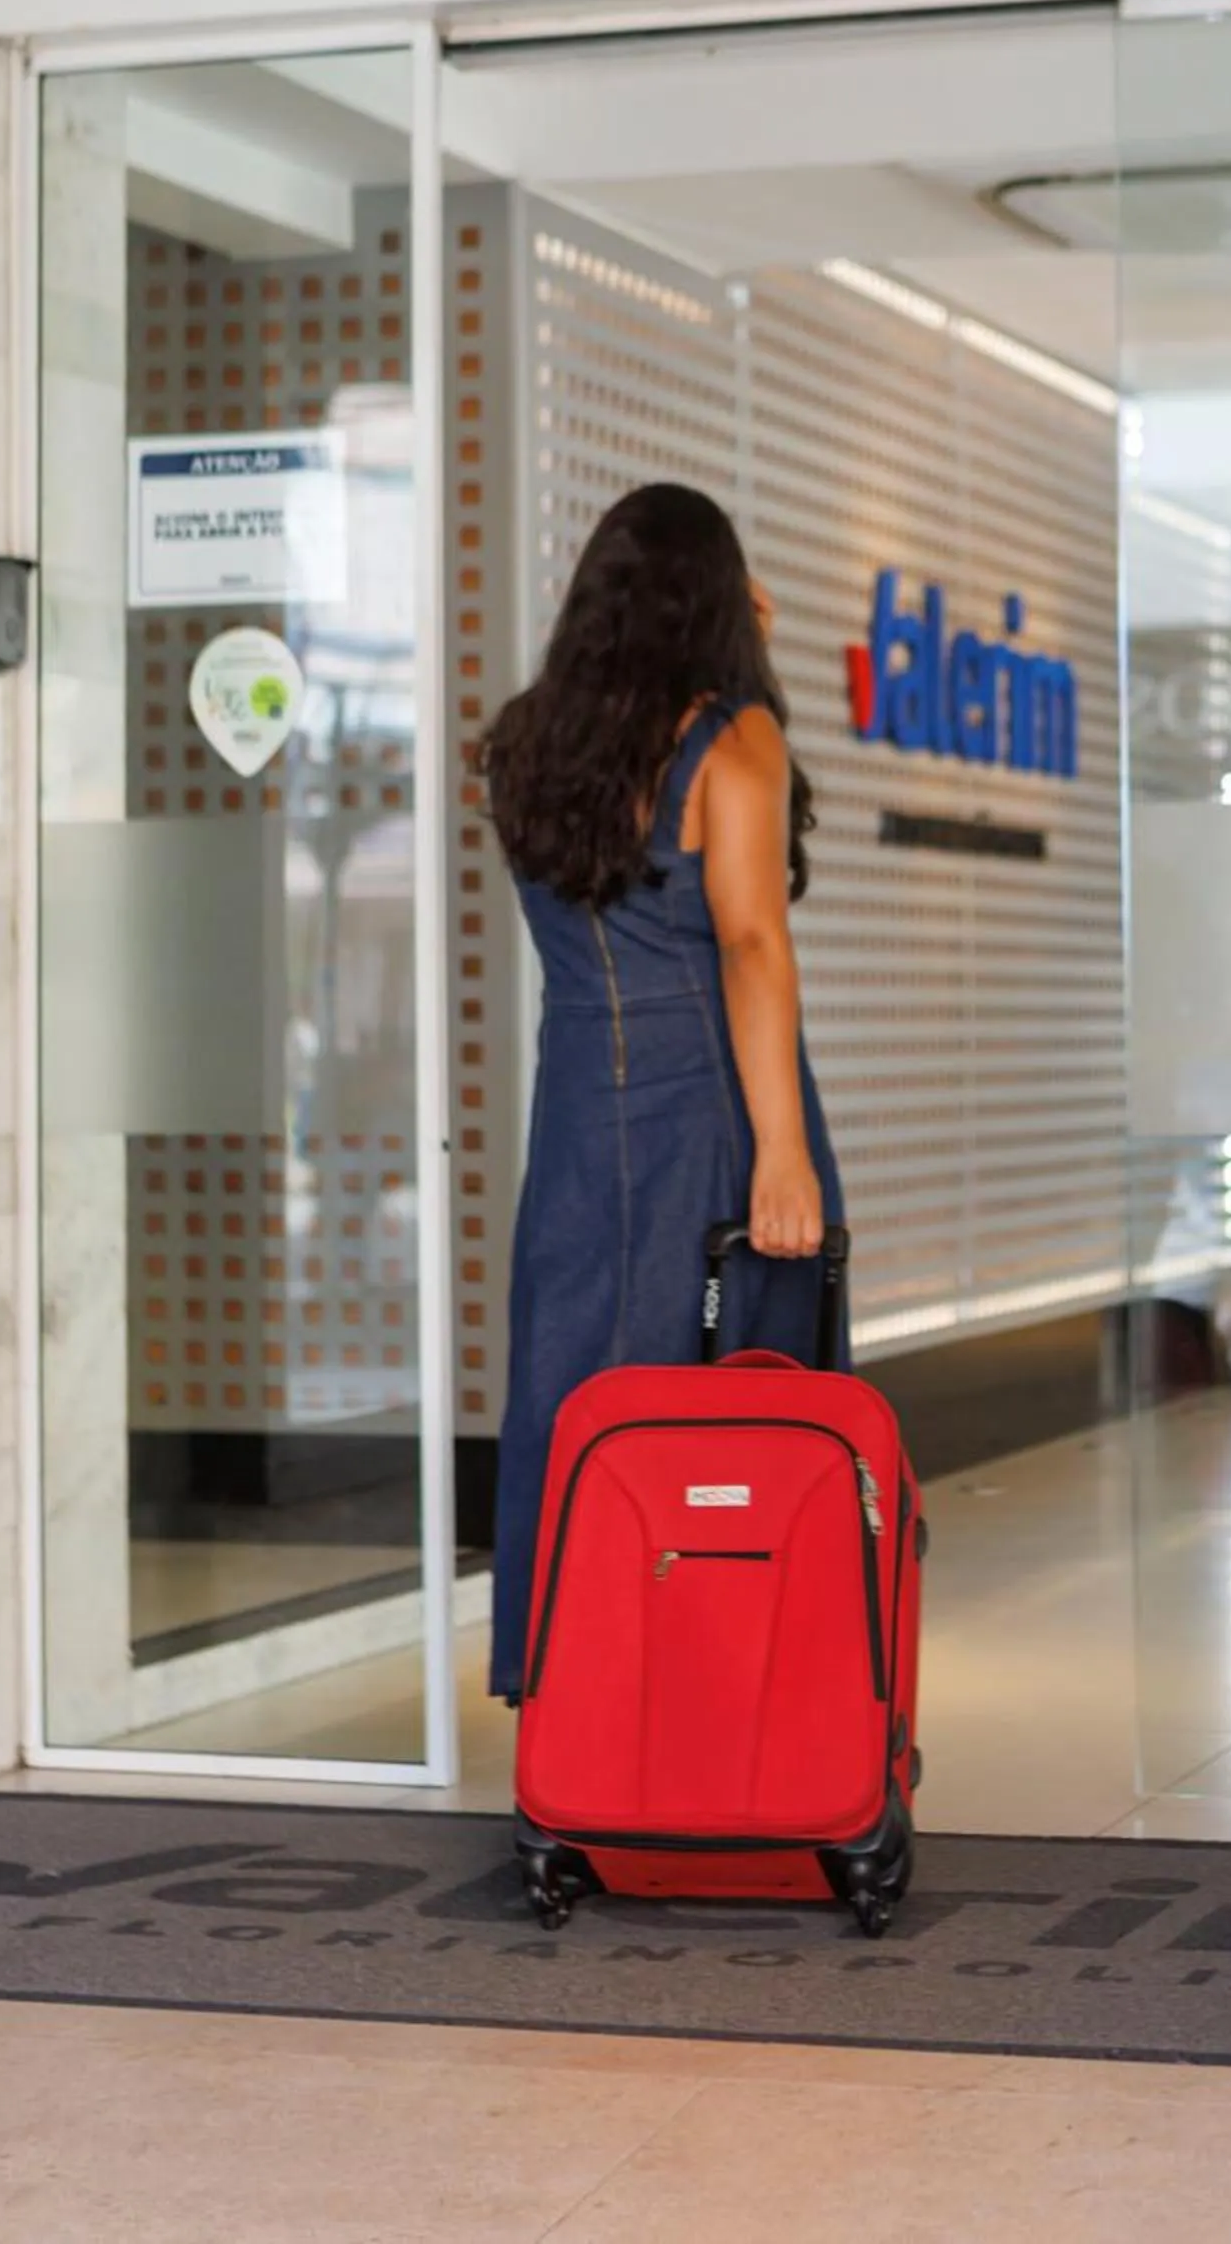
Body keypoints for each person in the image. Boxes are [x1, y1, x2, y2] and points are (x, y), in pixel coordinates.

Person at [478, 481, 846, 1703]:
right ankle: (722, 1702)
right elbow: (750, 943)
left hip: (581, 1110)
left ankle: (574, 1697)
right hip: (713, 1110)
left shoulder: (524, 745)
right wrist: (781, 1153)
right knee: (732, 1398)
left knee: (577, 1386)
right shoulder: (731, 740)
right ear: (720, 600)